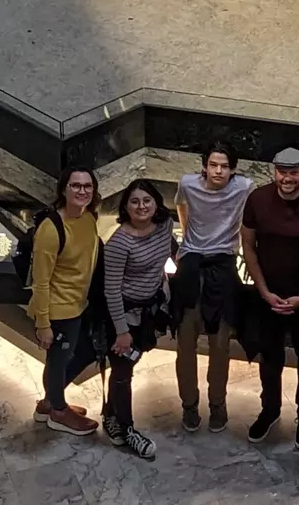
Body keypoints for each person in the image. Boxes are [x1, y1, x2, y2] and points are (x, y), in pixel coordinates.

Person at [241, 147, 299, 450]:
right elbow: (249, 248)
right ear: (274, 172)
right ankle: (269, 410)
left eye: (293, 172)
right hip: (267, 296)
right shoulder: (257, 199)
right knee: (270, 360)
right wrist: (264, 291)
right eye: (282, 172)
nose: (287, 178)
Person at [174, 141, 252, 434]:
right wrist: (186, 239)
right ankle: (189, 403)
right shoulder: (188, 184)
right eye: (213, 165)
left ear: (232, 170)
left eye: (224, 166)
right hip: (192, 265)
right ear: (204, 165)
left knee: (220, 344)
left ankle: (217, 402)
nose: (218, 171)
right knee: (185, 341)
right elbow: (180, 205)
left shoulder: (244, 187)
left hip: (224, 265)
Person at [101, 180, 175, 460]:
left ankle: (111, 414)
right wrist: (121, 331)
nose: (142, 206)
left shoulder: (165, 225)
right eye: (134, 201)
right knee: (123, 371)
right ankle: (126, 427)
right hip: (124, 316)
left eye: (147, 200)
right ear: (125, 207)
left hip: (149, 311)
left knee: (130, 362)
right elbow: (111, 290)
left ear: (156, 203)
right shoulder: (119, 243)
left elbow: (168, 250)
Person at [29, 166, 101, 436]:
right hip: (59, 310)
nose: (82, 191)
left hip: (78, 303)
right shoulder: (51, 229)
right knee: (59, 360)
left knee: (67, 356)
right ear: (64, 189)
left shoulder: (88, 218)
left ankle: (49, 403)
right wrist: (43, 323)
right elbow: (41, 281)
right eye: (76, 185)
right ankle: (58, 411)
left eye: (87, 186)